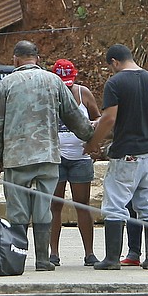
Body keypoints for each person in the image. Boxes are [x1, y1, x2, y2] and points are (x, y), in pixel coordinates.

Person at [0, 41, 94, 271]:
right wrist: (91, 136)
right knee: (44, 207)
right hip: (47, 156)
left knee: (18, 210)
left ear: (15, 59)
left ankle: (18, 259)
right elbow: (74, 116)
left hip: (16, 158)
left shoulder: (7, 83)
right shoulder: (53, 80)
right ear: (37, 58)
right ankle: (43, 260)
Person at [84, 44, 148, 270]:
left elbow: (109, 119)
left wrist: (93, 143)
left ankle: (112, 259)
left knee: (115, 204)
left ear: (114, 62)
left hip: (126, 154)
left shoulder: (115, 83)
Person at [49, 59, 101, 266]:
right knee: (55, 205)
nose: (66, 87)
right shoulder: (49, 94)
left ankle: (89, 253)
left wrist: (93, 128)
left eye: (69, 83)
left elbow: (100, 117)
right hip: (56, 156)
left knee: (82, 205)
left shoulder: (83, 93)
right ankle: (53, 252)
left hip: (80, 156)